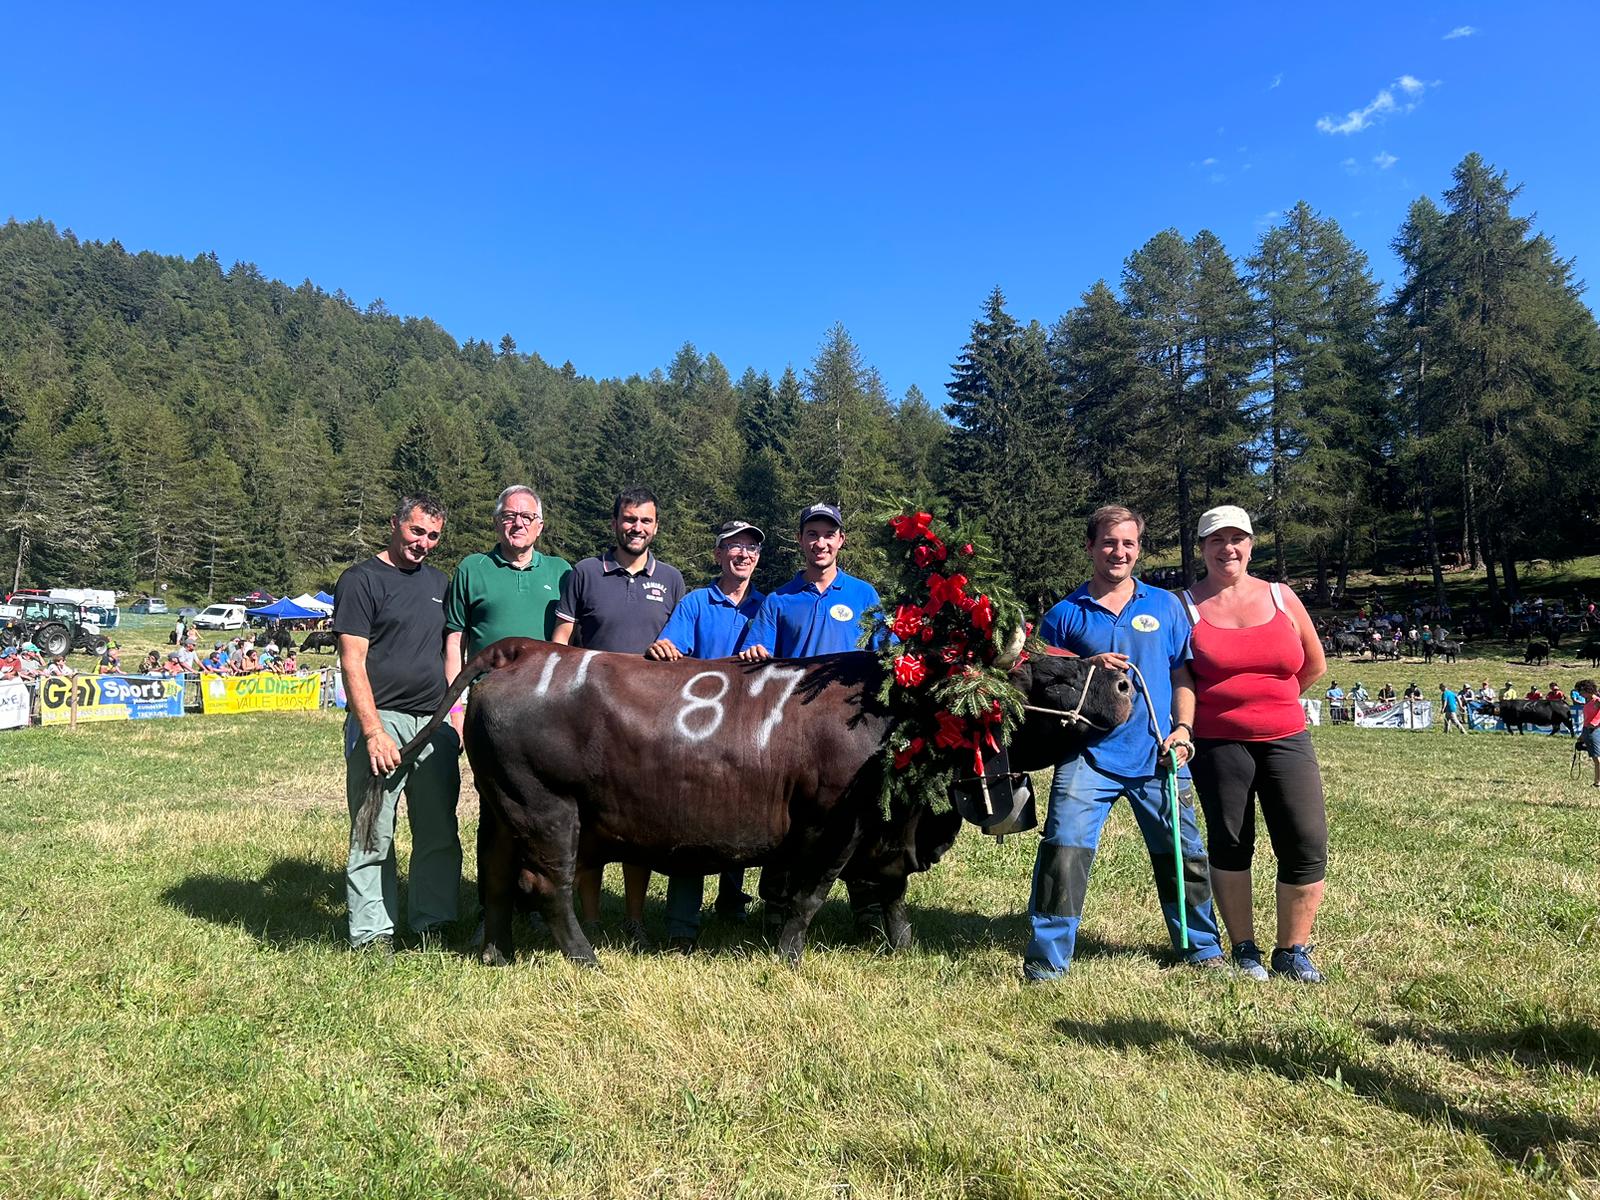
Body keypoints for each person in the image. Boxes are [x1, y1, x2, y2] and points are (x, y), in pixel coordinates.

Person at [1021, 504, 1223, 981]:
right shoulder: (1064, 615)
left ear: (1139, 549)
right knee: (1063, 849)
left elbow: (1182, 674)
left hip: (1158, 752)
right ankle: (1048, 959)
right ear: (1090, 547)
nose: (1119, 551)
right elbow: (1041, 683)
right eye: (1109, 542)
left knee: (1186, 850)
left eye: (1128, 543)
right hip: (1086, 757)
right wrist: (1084, 668)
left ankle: (1201, 947)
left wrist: (1184, 730)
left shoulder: (1165, 605)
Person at [1180, 505, 1329, 983]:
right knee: (1230, 843)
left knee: (1306, 843)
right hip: (1220, 744)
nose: (1228, 548)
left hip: (1287, 738)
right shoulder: (1183, 605)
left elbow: (1313, 665)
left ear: (1250, 544)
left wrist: (1275, 701)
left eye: (1236, 538)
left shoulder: (1282, 597)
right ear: (1201, 548)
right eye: (1216, 540)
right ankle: (1244, 948)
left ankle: (1292, 950)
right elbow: (1179, 675)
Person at [552, 486, 686, 947]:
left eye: (646, 521)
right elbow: (561, 644)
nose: (637, 528)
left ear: (656, 526)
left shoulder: (670, 579)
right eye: (630, 520)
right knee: (589, 823)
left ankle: (634, 919)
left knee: (639, 823)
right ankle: (589, 919)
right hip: (590, 718)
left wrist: (669, 648)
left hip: (650, 721)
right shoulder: (584, 573)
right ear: (615, 523)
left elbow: (678, 643)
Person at [334, 493, 461, 953]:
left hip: (434, 723)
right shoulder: (360, 580)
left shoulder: (441, 583)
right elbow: (353, 661)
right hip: (381, 720)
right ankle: (372, 933)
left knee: (438, 830)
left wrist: (455, 717)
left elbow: (453, 653)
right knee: (373, 830)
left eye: (432, 536)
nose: (423, 543)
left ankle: (434, 922)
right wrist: (372, 731)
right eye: (416, 531)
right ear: (394, 524)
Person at [647, 519, 768, 948]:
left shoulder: (767, 607)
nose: (742, 554)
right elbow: (670, 648)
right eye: (733, 547)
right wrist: (664, 649)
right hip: (698, 733)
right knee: (694, 824)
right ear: (718, 555)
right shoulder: (697, 603)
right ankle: (681, 922)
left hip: (751, 733)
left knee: (745, 818)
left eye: (750, 548)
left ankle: (733, 905)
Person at [444, 485, 572, 741]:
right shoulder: (471, 569)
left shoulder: (562, 573)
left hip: (545, 704)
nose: (518, 524)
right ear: (496, 523)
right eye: (509, 516)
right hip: (488, 704)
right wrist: (455, 711)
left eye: (527, 517)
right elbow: (455, 643)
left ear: (540, 526)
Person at [737, 503, 884, 661]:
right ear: (800, 539)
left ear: (841, 540)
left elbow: (887, 656)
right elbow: (757, 661)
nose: (821, 544)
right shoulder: (777, 601)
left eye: (829, 535)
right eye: (812, 534)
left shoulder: (865, 594)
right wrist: (754, 653)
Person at [1575, 679, 1600, 788]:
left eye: (1581, 691)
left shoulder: (1596, 701)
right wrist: (1581, 735)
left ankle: (1597, 782)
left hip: (1593, 730)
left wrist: (1596, 722)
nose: (1580, 694)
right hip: (1586, 730)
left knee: (1597, 758)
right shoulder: (1588, 702)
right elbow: (1586, 719)